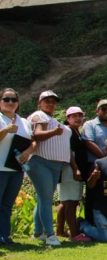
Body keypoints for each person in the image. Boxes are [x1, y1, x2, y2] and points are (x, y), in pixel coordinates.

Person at [27, 90, 71, 246]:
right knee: (46, 198)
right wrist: (54, 132)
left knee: (42, 198)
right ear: (40, 103)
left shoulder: (50, 118)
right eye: (47, 101)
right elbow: (37, 134)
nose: (51, 103)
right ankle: (50, 235)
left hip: (53, 164)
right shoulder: (40, 116)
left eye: (53, 101)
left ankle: (38, 233)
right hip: (40, 161)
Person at [0, 88, 34, 245]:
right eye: (6, 99)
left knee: (7, 204)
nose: (10, 102)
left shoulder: (24, 122)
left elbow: (33, 141)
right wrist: (6, 130)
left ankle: (5, 237)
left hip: (17, 169)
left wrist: (28, 151)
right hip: (0, 168)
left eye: (14, 99)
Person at [56, 106, 88, 242]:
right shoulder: (68, 131)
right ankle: (74, 234)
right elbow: (69, 152)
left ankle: (60, 231)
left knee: (65, 202)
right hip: (70, 170)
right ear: (67, 118)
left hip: (71, 169)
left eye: (80, 116)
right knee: (71, 202)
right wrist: (75, 168)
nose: (78, 118)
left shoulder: (76, 132)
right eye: (74, 116)